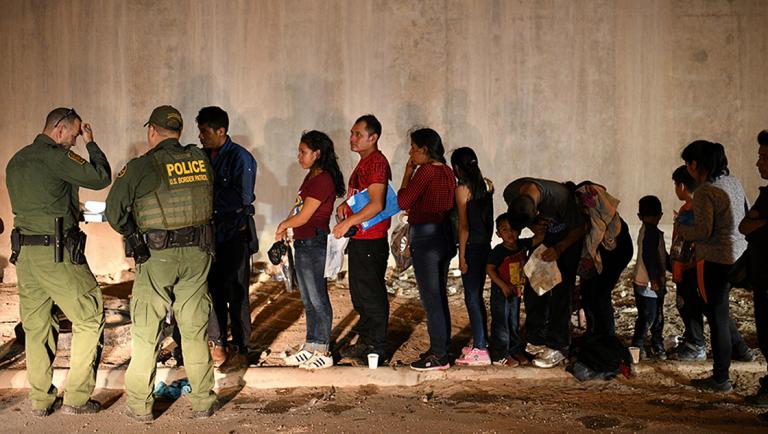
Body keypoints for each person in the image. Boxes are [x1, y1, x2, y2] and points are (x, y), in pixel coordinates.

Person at [105, 106, 218, 421]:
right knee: (194, 330)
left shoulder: (143, 166)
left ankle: (141, 407)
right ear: (178, 132)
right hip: (197, 254)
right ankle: (203, 402)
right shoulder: (201, 160)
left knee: (147, 331)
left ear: (151, 131)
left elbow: (114, 213)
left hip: (157, 257)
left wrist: (134, 234)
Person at [6, 107, 110, 416]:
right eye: (76, 134)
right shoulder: (56, 156)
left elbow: (43, 200)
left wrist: (71, 208)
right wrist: (92, 144)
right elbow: (99, 176)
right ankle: (77, 398)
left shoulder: (17, 160)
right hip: (57, 253)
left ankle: (41, 401)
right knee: (90, 314)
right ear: (60, 130)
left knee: (37, 327)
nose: (76, 140)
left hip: (26, 256)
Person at [678, 140, 754, 393]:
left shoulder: (705, 192)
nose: (687, 168)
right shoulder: (733, 182)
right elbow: (747, 212)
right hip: (740, 255)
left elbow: (702, 231)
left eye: (687, 163)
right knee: (719, 311)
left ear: (696, 164)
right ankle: (743, 352)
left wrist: (681, 228)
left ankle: (721, 378)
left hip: (716, 259)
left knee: (717, 317)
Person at [275, 130, 345, 370]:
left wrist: (283, 226)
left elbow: (305, 216)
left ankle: (323, 348)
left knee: (317, 297)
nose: (299, 156)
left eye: (303, 152)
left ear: (317, 154)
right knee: (307, 298)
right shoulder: (311, 177)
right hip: (303, 242)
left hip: (315, 242)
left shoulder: (323, 179)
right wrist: (286, 227)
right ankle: (311, 345)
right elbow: (298, 209)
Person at [196, 106, 257, 371]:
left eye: (205, 131)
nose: (201, 137)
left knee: (238, 292)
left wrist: (206, 200)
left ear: (221, 131)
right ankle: (219, 343)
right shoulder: (200, 156)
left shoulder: (240, 158)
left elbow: (243, 198)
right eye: (199, 131)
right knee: (214, 292)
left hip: (234, 234)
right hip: (211, 236)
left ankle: (243, 347)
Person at [504, 178, 586, 368]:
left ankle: (559, 345)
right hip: (545, 238)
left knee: (561, 291)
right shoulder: (511, 191)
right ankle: (536, 339)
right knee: (533, 285)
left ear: (537, 210)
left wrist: (559, 248)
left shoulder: (560, 198)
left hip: (568, 239)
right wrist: (533, 228)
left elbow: (579, 228)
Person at [332, 115, 391, 362]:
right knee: (360, 294)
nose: (352, 138)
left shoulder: (376, 164)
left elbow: (377, 204)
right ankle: (365, 342)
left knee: (371, 294)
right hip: (361, 238)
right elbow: (364, 197)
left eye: (358, 134)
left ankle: (376, 347)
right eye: (352, 133)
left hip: (371, 239)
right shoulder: (365, 163)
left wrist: (347, 223)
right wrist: (347, 205)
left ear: (373, 137)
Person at [397, 128, 457, 371]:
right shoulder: (447, 172)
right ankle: (440, 348)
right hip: (443, 236)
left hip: (426, 237)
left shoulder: (426, 171)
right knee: (439, 296)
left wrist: (408, 172)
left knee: (431, 299)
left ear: (423, 149)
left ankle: (440, 355)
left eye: (413, 148)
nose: (410, 153)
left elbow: (403, 201)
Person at [451, 147, 495, 366]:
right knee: (476, 297)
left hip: (472, 248)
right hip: (485, 246)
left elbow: (464, 226)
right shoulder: (487, 186)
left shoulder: (462, 189)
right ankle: (481, 342)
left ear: (457, 168)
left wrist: (461, 258)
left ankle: (480, 349)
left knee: (471, 297)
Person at [741, 130, 768, 406]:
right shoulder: (765, 195)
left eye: (764, 157)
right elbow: (744, 226)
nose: (758, 163)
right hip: (761, 278)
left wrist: (758, 222)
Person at [669, 165, 706, 361]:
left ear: (682, 185)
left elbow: (684, 242)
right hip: (687, 266)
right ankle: (693, 339)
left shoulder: (690, 209)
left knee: (688, 305)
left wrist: (679, 266)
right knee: (686, 304)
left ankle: (696, 345)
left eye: (676, 185)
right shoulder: (693, 207)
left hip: (688, 267)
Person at [486, 213, 533, 367]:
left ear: (519, 230)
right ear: (498, 234)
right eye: (504, 230)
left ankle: (514, 350)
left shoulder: (521, 245)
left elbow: (538, 239)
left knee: (513, 321)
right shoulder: (498, 251)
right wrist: (503, 285)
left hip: (515, 292)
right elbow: (490, 269)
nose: (509, 233)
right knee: (501, 323)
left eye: (513, 229)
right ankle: (500, 354)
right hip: (502, 292)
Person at [630, 196, 668, 360]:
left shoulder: (646, 229)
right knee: (650, 317)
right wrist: (655, 280)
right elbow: (649, 257)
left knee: (652, 315)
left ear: (639, 216)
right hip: (648, 283)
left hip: (645, 282)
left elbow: (660, 256)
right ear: (661, 215)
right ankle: (638, 346)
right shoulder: (651, 231)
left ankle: (655, 344)